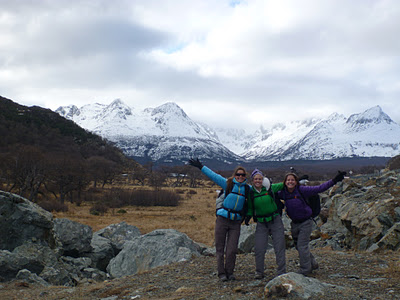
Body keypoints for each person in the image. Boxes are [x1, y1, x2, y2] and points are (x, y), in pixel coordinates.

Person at [188, 158, 249, 282]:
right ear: (235, 175)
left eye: (243, 175)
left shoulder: (248, 189)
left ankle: (230, 272)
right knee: (220, 248)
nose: (240, 177)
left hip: (236, 222)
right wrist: (201, 167)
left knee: (232, 250)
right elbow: (214, 176)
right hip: (222, 219)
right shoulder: (228, 184)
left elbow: (261, 190)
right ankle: (221, 273)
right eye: (238, 174)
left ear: (245, 176)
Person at [277, 170, 346, 275]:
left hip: (306, 222)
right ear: (285, 182)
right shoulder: (283, 193)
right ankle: (312, 263)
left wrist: (335, 180)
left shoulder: (302, 190)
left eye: (292, 180)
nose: (290, 182)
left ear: (296, 181)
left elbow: (320, 188)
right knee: (298, 245)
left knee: (302, 245)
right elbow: (271, 192)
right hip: (294, 223)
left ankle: (305, 269)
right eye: (288, 180)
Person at [245, 169, 286, 279]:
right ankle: (259, 272)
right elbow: (250, 207)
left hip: (275, 219)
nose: (258, 180)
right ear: (252, 180)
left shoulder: (270, 188)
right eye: (256, 179)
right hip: (261, 222)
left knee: (279, 246)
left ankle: (282, 272)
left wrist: (297, 180)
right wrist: (248, 217)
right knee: (259, 248)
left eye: (260, 178)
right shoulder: (251, 193)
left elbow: (284, 184)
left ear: (263, 180)